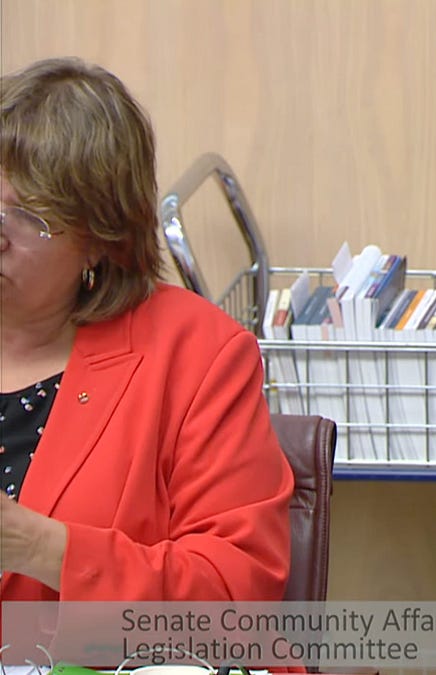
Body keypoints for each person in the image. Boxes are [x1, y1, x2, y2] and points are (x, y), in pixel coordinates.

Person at [0, 58, 292, 632]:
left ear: (99, 240)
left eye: (28, 215)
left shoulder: (197, 354)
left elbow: (238, 593)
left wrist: (37, 547)